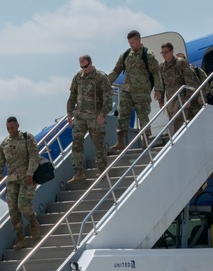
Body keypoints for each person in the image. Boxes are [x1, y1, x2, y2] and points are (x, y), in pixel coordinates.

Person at [0, 116, 40, 250]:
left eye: (12, 127)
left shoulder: (26, 137)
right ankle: (20, 238)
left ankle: (33, 221)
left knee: (23, 204)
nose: (10, 130)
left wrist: (30, 173)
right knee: (13, 210)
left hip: (26, 177)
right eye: (8, 128)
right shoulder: (4, 143)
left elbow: (34, 156)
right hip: (11, 180)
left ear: (18, 125)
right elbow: (0, 165)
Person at [107, 30, 161, 152]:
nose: (130, 45)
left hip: (141, 91)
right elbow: (116, 70)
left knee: (142, 115)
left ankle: (146, 140)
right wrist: (107, 82)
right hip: (127, 90)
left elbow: (156, 72)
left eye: (132, 42)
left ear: (139, 40)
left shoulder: (148, 55)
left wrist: (158, 89)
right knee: (123, 115)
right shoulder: (126, 55)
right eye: (129, 43)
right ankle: (120, 142)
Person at [66, 54, 112, 185]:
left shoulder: (101, 77)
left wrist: (103, 113)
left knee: (98, 143)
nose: (84, 69)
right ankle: (79, 172)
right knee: (76, 142)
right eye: (82, 67)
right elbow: (72, 96)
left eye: (86, 66)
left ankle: (102, 169)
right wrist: (69, 113)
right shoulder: (78, 78)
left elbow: (108, 96)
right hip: (80, 116)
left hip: (95, 115)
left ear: (91, 63)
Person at [158, 42, 202, 137]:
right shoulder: (162, 67)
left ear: (172, 51)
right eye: (162, 53)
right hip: (170, 99)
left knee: (179, 120)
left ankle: (178, 140)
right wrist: (161, 101)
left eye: (166, 52)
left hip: (181, 97)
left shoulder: (181, 62)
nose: (164, 55)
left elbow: (189, 81)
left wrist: (188, 98)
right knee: (173, 121)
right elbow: (161, 84)